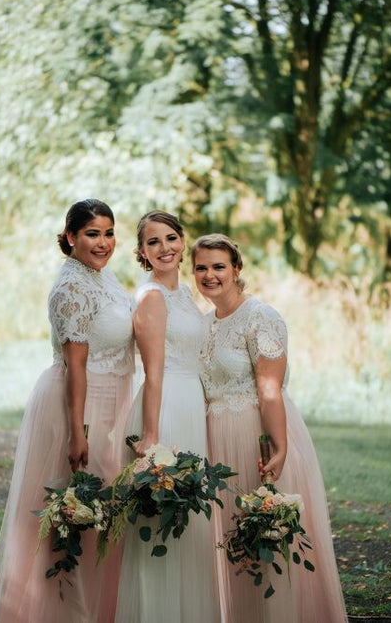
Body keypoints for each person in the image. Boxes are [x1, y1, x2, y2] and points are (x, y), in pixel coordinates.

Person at [0, 199, 134, 623]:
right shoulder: (71, 287)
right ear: (70, 237)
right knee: (75, 516)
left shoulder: (102, 276)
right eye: (92, 234)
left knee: (100, 514)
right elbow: (76, 366)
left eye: (108, 233)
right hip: (80, 405)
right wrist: (77, 432)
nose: (103, 243)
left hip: (112, 401)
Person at [192, 233, 348, 623]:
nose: (210, 275)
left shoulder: (260, 316)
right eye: (201, 268)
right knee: (234, 539)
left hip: (258, 436)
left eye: (218, 266)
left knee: (267, 537)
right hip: (217, 442)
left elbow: (269, 387)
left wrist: (279, 447)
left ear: (237, 269)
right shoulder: (204, 323)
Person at [115, 211, 220, 623]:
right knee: (162, 519)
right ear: (142, 252)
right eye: (154, 242)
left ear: (182, 240)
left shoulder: (184, 295)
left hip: (191, 403)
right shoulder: (152, 297)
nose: (165, 248)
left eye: (172, 238)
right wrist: (153, 437)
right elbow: (152, 373)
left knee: (188, 523)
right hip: (166, 408)